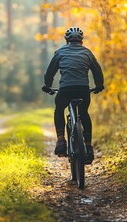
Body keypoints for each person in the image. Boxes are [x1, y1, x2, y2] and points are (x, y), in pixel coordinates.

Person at [42, 27, 104, 164]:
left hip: (65, 89)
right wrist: (99, 85)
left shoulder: (60, 52)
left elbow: (50, 73)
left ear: (66, 40)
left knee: (59, 110)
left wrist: (47, 86)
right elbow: (97, 71)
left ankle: (61, 140)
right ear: (81, 41)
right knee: (84, 113)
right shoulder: (87, 53)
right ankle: (88, 146)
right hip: (83, 90)